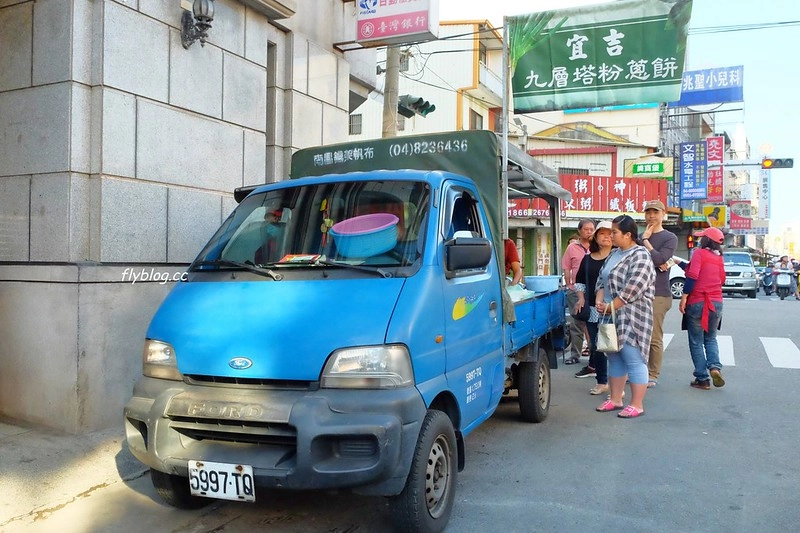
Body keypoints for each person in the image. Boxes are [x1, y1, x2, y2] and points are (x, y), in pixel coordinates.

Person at [594, 215, 655, 419]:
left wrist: (612, 306)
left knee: (633, 357)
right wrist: (600, 301)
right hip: (610, 313)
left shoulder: (640, 255)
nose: (610, 236)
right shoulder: (614, 254)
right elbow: (601, 280)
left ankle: (637, 404)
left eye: (614, 232)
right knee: (614, 356)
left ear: (628, 235)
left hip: (632, 315)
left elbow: (634, 288)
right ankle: (615, 398)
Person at [679, 227, 726, 390]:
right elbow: (721, 280)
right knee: (711, 338)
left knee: (696, 341)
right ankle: (714, 368)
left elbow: (692, 276)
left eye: (702, 238)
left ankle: (702, 378)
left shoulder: (699, 253)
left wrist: (684, 297)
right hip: (717, 302)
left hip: (698, 301)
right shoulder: (719, 258)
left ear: (706, 240)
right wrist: (679, 263)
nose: (699, 240)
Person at [572, 221, 614, 393]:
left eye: (611, 232)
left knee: (616, 346)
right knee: (597, 345)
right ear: (596, 236)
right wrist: (580, 298)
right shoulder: (588, 259)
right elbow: (580, 281)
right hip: (593, 308)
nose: (607, 236)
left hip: (616, 308)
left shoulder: (619, 256)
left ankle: (621, 380)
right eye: (602, 233)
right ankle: (602, 381)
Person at [640, 200, 677, 388]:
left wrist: (646, 242)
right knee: (638, 335)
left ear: (663, 214)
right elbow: (637, 259)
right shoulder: (638, 237)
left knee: (654, 336)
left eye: (655, 212)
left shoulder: (669, 237)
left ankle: (653, 374)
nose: (651, 216)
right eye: (648, 212)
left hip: (659, 293)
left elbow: (661, 259)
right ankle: (640, 371)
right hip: (638, 292)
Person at [561, 219, 595, 365]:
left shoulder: (598, 246)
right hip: (575, 290)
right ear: (579, 231)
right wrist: (569, 285)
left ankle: (595, 356)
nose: (589, 232)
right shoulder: (572, 247)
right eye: (586, 229)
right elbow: (566, 266)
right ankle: (575, 354)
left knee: (593, 323)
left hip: (594, 291)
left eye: (591, 229)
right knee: (576, 323)